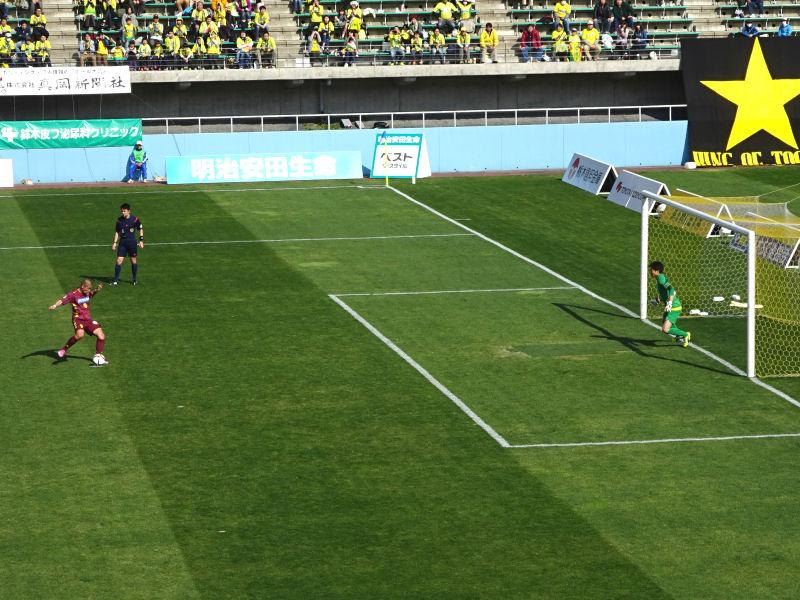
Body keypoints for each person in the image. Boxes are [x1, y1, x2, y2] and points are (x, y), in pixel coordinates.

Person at [49, 279, 108, 363]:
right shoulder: (73, 294)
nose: (89, 291)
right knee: (80, 335)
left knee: (101, 335)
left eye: (90, 289)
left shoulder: (86, 292)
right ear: (83, 286)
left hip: (87, 319)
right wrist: (54, 305)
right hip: (78, 319)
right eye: (88, 289)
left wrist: (96, 290)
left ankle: (98, 356)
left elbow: (90, 295)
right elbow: (62, 300)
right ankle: (64, 349)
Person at [649, 261, 691, 347]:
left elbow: (671, 289)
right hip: (670, 305)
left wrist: (670, 303)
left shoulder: (661, 279)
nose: (650, 271)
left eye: (651, 270)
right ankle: (678, 335)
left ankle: (685, 335)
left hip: (674, 307)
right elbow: (666, 293)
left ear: (657, 271)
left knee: (665, 329)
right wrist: (658, 300)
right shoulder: (659, 278)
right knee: (664, 321)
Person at [112, 202, 144, 286]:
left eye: (124, 211)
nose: (123, 213)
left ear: (129, 211)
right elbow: (117, 232)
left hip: (132, 243)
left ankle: (134, 279)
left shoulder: (134, 219)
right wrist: (115, 243)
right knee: (119, 260)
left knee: (133, 260)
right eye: (122, 211)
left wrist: (141, 240)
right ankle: (115, 280)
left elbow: (140, 229)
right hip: (122, 243)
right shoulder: (119, 220)